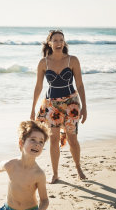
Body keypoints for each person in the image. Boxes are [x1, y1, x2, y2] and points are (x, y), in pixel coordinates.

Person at [30, 29, 87, 182]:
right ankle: (55, 173)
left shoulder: (72, 60)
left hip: (71, 104)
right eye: (55, 40)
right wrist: (33, 108)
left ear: (64, 42)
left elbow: (80, 85)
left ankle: (78, 167)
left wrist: (85, 107)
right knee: (54, 139)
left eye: (61, 40)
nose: (58, 43)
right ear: (49, 43)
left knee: (72, 138)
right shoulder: (43, 62)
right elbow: (38, 87)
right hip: (52, 105)